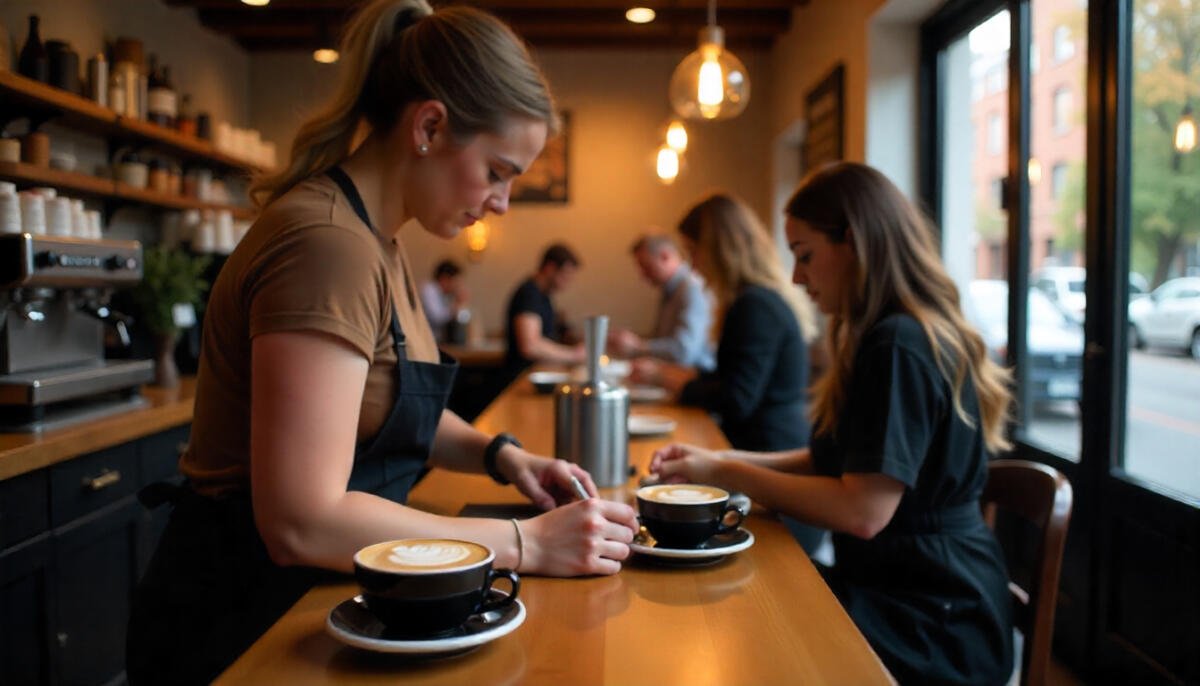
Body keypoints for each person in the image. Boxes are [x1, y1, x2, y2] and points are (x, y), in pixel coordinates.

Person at [126, 3, 637, 683]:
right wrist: (525, 543)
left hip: (323, 598)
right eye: (498, 171)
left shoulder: (377, 243)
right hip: (247, 623)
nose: (502, 202)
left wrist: (503, 455)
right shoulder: (328, 246)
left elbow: (384, 404)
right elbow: (302, 522)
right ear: (428, 126)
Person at [650, 162, 1015, 685]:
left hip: (935, 616)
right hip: (904, 587)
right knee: (740, 599)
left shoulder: (898, 344)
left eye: (805, 256)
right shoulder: (888, 335)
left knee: (744, 623)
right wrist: (719, 462)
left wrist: (731, 475)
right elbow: (831, 461)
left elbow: (862, 510)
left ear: (854, 243)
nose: (797, 277)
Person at [633, 194, 818, 453]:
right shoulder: (754, 299)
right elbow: (730, 377)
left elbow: (737, 399)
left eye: (693, 251)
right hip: (762, 442)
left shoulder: (755, 305)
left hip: (768, 449)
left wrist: (674, 383)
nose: (692, 265)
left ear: (719, 250)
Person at [609, 233, 715, 370]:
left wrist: (638, 346)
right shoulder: (670, 290)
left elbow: (684, 352)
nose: (643, 275)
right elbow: (662, 338)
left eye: (646, 266)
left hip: (694, 381)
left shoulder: (691, 289)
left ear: (665, 256)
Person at [502, 242, 585, 380]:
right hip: (522, 378)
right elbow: (530, 345)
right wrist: (574, 355)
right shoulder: (529, 294)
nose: (568, 282)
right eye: (566, 275)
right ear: (550, 268)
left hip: (534, 375)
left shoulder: (544, 296)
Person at [419, 258, 468, 342]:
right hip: (425, 341)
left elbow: (463, 318)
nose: (455, 285)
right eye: (455, 281)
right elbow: (437, 318)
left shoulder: (446, 295)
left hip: (438, 341)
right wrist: (456, 304)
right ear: (444, 278)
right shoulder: (429, 289)